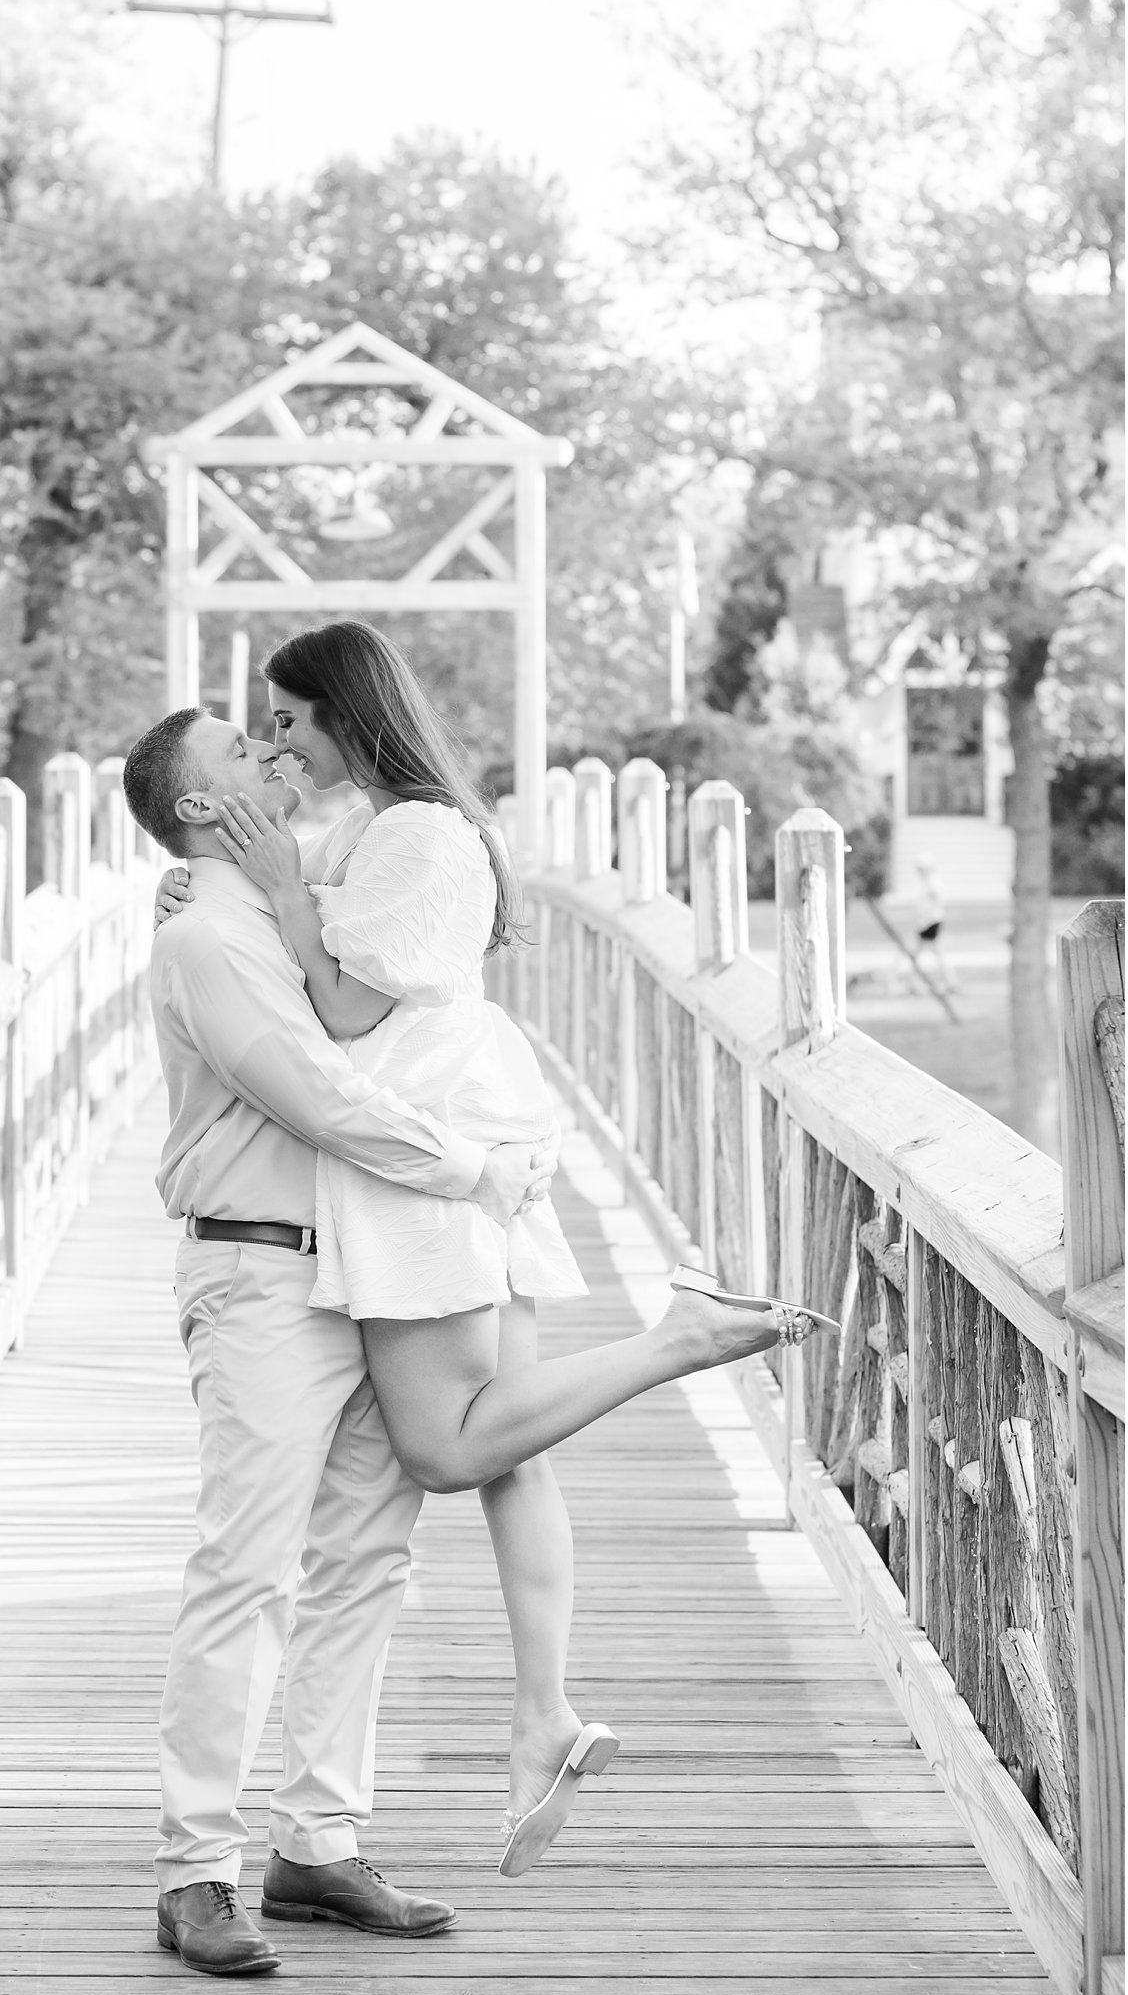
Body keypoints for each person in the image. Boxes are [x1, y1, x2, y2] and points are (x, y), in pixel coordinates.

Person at [149, 623, 830, 1883]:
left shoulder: (410, 833)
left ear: (347, 715)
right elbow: (274, 919)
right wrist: (203, 879)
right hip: (395, 1164)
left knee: (446, 1452)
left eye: (286, 721)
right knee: (490, 1444)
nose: (275, 745)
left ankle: (672, 1343)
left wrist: (268, 889)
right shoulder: (324, 844)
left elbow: (345, 1002)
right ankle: (534, 1721)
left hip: (429, 1140)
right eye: (256, 738)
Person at [123, 706, 557, 1977]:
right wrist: (480, 1167)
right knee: (246, 1567)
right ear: (202, 810)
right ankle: (193, 1867)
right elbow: (316, 1092)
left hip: (372, 1263)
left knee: (366, 1559)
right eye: (242, 759)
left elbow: (404, 951)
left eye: (274, 743)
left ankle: (316, 1839)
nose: (273, 760)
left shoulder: (286, 895)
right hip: (260, 1267)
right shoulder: (207, 935)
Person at [912, 856, 956, 997]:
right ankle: (950, 982)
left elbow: (937, 901)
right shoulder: (928, 881)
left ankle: (918, 983)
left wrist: (925, 917)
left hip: (930, 922)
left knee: (922, 953)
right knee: (933, 953)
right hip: (927, 922)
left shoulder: (932, 882)